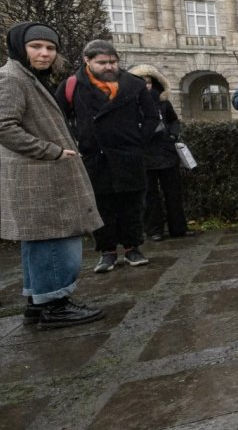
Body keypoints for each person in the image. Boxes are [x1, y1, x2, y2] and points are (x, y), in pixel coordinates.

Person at [0, 22, 105, 328]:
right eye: (36, 47)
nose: (44, 54)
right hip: (40, 178)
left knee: (40, 242)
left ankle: (38, 303)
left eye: (50, 48)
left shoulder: (26, 77)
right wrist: (52, 151)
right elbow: (4, 126)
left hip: (39, 178)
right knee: (57, 242)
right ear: (20, 47)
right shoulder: (11, 78)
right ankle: (55, 306)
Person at [58, 40, 160, 274]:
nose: (109, 67)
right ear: (87, 61)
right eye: (102, 62)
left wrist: (138, 140)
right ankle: (107, 251)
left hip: (128, 156)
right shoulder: (72, 85)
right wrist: (77, 140)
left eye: (113, 62)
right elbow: (58, 116)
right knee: (101, 206)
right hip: (95, 157)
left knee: (132, 204)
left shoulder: (133, 84)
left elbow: (152, 117)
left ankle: (133, 247)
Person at [128, 65, 195, 242]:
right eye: (142, 83)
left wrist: (172, 134)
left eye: (149, 82)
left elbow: (173, 120)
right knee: (150, 195)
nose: (146, 86)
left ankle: (178, 228)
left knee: (173, 192)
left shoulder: (163, 102)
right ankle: (154, 230)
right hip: (144, 153)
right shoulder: (130, 105)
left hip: (166, 151)